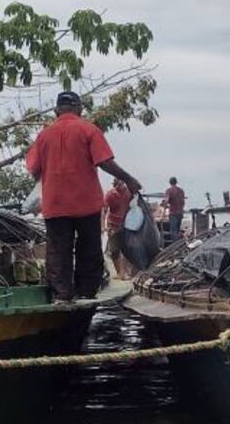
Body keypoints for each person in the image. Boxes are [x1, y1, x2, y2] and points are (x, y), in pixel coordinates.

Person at [26, 91, 141, 302]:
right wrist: (129, 179)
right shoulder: (89, 130)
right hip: (86, 203)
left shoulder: (43, 136)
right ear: (79, 109)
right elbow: (104, 162)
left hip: (55, 204)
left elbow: (34, 169)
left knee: (58, 251)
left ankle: (62, 294)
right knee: (89, 249)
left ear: (56, 111)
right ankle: (86, 292)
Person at [102, 178, 133, 279]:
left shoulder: (128, 193)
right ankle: (119, 272)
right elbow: (104, 210)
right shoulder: (110, 194)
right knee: (114, 250)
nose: (120, 186)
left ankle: (127, 272)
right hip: (113, 224)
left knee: (127, 249)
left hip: (126, 224)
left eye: (122, 184)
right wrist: (103, 226)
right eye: (117, 185)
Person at [164, 177, 186, 243]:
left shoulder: (169, 190)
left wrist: (164, 206)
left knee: (173, 231)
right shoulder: (181, 190)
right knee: (177, 230)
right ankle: (178, 244)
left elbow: (166, 201)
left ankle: (176, 245)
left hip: (173, 213)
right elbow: (183, 202)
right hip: (180, 213)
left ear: (170, 182)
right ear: (176, 182)